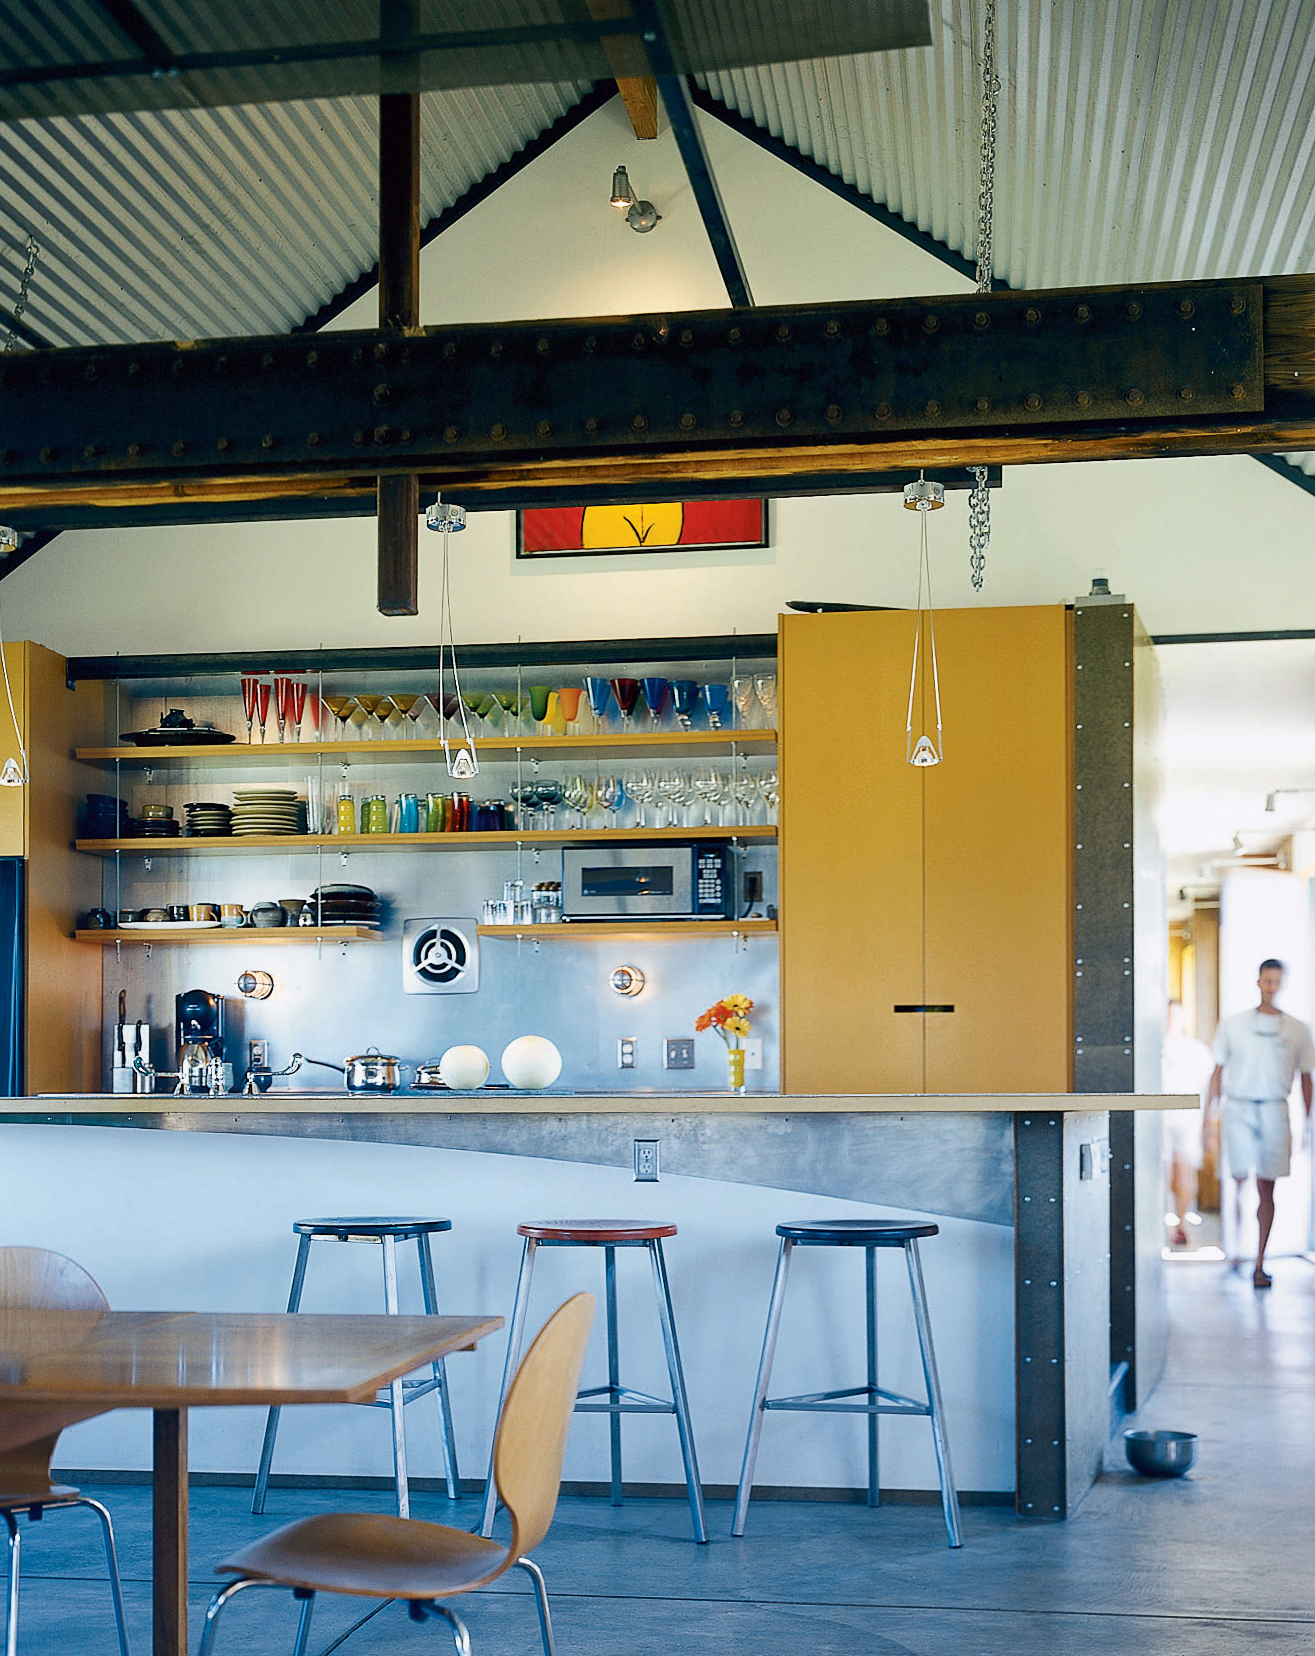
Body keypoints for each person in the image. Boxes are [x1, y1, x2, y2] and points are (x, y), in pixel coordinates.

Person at [1206, 959, 1314, 1288]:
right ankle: (1236, 1248)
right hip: (1238, 1107)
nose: (1271, 986)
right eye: (1266, 980)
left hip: (1274, 1109)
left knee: (1267, 1186)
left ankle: (1259, 1260)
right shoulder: (1234, 1025)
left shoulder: (1297, 1029)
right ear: (1258, 982)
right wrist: (1208, 1119)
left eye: (1276, 981)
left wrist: (1309, 1122)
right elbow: (1217, 1072)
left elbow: (1306, 1078)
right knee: (1238, 1179)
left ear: (1282, 984)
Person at [1162, 1000, 1212, 1247]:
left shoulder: (1197, 1050)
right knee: (1162, 1170)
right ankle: (1164, 1225)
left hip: (1187, 1117)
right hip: (1158, 1118)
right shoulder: (1153, 1048)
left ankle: (1180, 1223)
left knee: (1184, 1169)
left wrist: (1208, 1125)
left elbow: (1207, 1087)